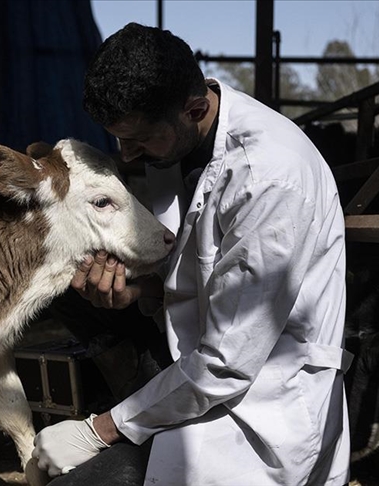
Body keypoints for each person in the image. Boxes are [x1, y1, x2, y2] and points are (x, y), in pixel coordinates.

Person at [31, 23, 352, 486]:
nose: (128, 153)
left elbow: (227, 362)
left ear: (195, 108)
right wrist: (138, 291)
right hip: (192, 356)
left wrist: (99, 431)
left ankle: (130, 421)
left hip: (256, 403)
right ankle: (135, 406)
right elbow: (204, 273)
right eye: (119, 139)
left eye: (139, 140)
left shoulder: (269, 178)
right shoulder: (181, 142)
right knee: (65, 288)